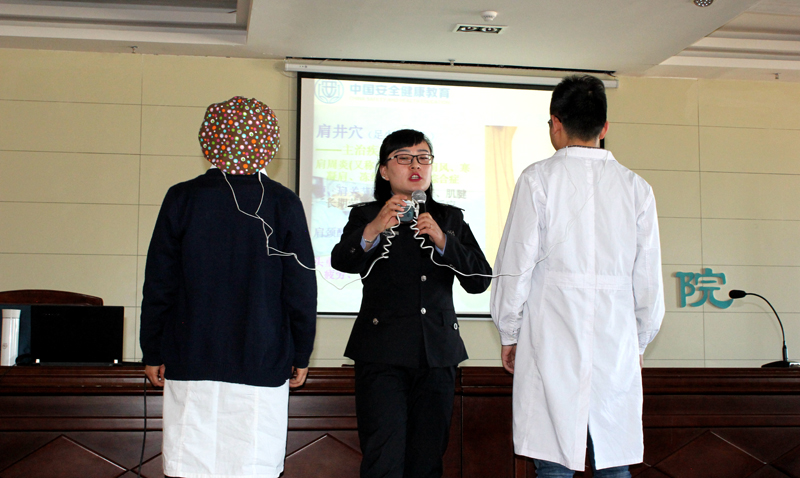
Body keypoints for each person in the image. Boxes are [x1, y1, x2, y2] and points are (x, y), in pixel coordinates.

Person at [490, 75, 665, 478]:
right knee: (612, 462)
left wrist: (510, 332)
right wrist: (638, 341)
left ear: (555, 123)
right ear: (605, 127)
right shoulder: (637, 188)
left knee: (552, 464)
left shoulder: (537, 179)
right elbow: (648, 280)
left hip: (550, 338)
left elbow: (515, 265)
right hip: (615, 341)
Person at [140, 96, 317, 478]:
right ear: (270, 142)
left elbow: (159, 283)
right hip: (262, 361)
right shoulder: (284, 203)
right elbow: (301, 291)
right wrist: (302, 353)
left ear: (209, 140)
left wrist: (152, 349)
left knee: (190, 468)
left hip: (190, 358)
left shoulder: (182, 198)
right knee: (252, 468)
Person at [331, 129, 492, 478]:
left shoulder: (449, 218)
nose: (416, 166)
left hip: (437, 353)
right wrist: (374, 229)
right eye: (404, 158)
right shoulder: (366, 215)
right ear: (384, 170)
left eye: (423, 158)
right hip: (381, 354)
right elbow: (341, 260)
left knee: (426, 461)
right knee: (383, 459)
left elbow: (480, 280)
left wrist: (443, 240)